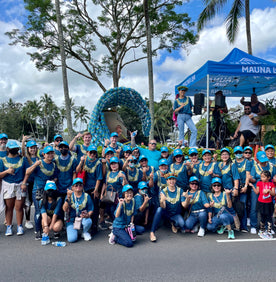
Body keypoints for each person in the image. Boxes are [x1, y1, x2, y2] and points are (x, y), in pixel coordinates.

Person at [25, 145, 58, 239]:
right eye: (48, 153)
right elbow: (27, 172)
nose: (50, 155)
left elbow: (55, 176)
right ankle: (38, 230)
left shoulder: (54, 164)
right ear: (43, 154)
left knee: (50, 210)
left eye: (52, 153)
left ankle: (48, 228)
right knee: (39, 211)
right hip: (38, 190)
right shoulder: (39, 163)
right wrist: (35, 164)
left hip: (49, 191)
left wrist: (53, 181)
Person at [0, 140, 29, 236]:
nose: (15, 150)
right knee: (9, 207)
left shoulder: (22, 159)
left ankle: (20, 226)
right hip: (8, 185)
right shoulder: (2, 160)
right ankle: (9, 226)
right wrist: (6, 172)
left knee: (19, 207)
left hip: (20, 184)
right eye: (12, 148)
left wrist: (24, 182)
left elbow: (27, 172)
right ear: (8, 149)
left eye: (16, 148)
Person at [149, 173, 186, 242]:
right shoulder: (163, 191)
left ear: (175, 180)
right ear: (167, 181)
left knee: (182, 224)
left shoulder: (180, 190)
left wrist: (188, 199)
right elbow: (163, 206)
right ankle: (152, 232)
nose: (171, 181)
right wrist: (161, 201)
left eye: (173, 179)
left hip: (175, 213)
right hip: (166, 213)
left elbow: (184, 205)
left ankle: (173, 223)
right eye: (169, 179)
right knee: (159, 209)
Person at [76, 144, 103, 234]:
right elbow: (77, 171)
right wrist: (81, 162)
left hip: (93, 188)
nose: (92, 154)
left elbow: (99, 178)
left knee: (94, 208)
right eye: (90, 152)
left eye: (94, 153)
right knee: (82, 206)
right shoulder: (84, 160)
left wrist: (96, 190)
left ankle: (94, 226)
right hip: (83, 188)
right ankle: (80, 226)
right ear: (87, 152)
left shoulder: (98, 163)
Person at [249, 151, 276, 234]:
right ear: (257, 159)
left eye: (265, 159)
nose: (264, 162)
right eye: (261, 160)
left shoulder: (271, 167)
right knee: (254, 207)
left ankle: (269, 227)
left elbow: (274, 177)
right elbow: (252, 178)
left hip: (268, 189)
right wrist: (251, 179)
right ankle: (253, 226)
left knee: (268, 208)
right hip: (258, 188)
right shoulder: (255, 167)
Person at [63, 178, 94, 242]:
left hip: (82, 219)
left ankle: (84, 232)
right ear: (72, 187)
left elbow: (91, 209)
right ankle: (74, 230)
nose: (78, 187)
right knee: (72, 239)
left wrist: (87, 215)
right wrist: (68, 197)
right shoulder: (69, 196)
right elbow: (64, 209)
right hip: (72, 220)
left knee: (88, 221)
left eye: (80, 185)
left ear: (83, 186)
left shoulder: (86, 196)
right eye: (76, 185)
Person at [249, 170, 275, 239]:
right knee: (262, 216)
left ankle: (269, 231)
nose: (262, 178)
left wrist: (269, 191)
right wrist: (252, 186)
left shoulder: (271, 184)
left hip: (269, 203)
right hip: (261, 202)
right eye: (261, 177)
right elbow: (257, 192)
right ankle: (262, 230)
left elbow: (274, 194)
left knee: (269, 217)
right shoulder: (259, 183)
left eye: (263, 177)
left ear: (268, 177)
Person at [233, 146, 251, 232]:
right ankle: (236, 225)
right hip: (235, 187)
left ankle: (244, 226)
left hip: (243, 187)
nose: (238, 154)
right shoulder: (232, 162)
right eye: (236, 153)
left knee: (243, 206)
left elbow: (248, 175)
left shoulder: (247, 162)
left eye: (240, 152)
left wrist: (246, 186)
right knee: (234, 206)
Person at [22, 138, 39, 230]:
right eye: (31, 148)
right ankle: (27, 220)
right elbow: (22, 151)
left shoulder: (39, 158)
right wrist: (23, 141)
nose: (33, 150)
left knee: (37, 202)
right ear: (28, 149)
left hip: (36, 183)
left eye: (34, 148)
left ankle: (37, 218)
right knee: (27, 203)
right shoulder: (25, 159)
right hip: (27, 183)